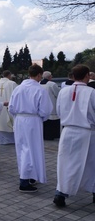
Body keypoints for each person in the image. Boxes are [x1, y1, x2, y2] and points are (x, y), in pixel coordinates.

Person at [53, 65, 95, 207]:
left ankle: (60, 193)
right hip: (87, 133)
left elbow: (59, 112)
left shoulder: (63, 91)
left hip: (67, 131)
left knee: (66, 163)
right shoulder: (92, 92)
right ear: (87, 76)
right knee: (91, 164)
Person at [8, 64, 53, 193]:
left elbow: (11, 107)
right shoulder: (40, 89)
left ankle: (31, 176)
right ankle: (25, 180)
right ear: (39, 75)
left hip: (20, 120)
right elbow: (45, 110)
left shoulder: (18, 88)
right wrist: (40, 119)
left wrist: (18, 117)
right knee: (31, 149)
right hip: (33, 121)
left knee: (22, 148)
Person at [0, 70, 18, 145]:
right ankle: (12, 140)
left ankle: (2, 140)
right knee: (10, 123)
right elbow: (17, 95)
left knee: (0, 123)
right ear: (9, 75)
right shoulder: (12, 83)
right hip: (8, 106)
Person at [40, 71, 61, 140]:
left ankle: (45, 135)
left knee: (45, 122)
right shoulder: (52, 84)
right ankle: (53, 135)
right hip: (52, 105)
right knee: (52, 121)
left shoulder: (39, 83)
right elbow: (58, 94)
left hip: (42, 105)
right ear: (49, 77)